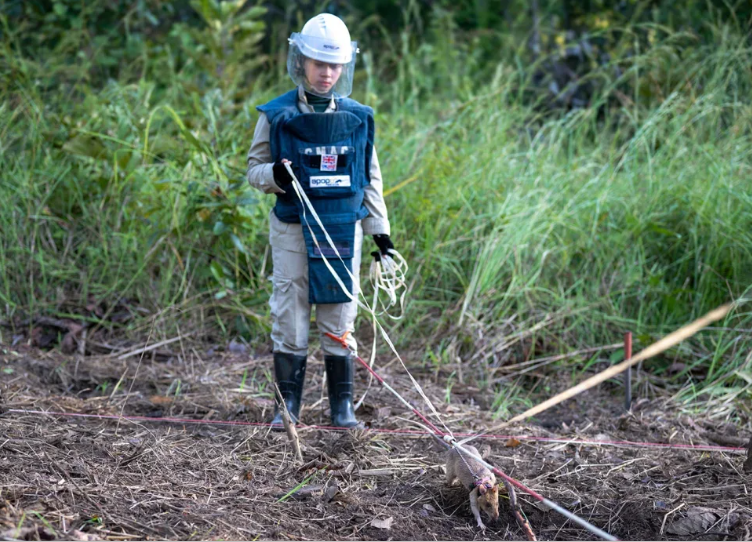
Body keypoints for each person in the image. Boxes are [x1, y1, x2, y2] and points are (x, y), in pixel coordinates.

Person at [246, 13, 395, 429]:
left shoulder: (357, 118)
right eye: (319, 64)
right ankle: (287, 408)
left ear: (345, 67)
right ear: (301, 62)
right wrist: (275, 176)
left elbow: (370, 178)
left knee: (339, 315)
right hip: (292, 229)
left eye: (335, 65)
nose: (327, 73)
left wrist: (380, 234)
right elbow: (254, 169)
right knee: (289, 314)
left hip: (342, 228)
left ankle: (342, 409)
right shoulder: (275, 115)